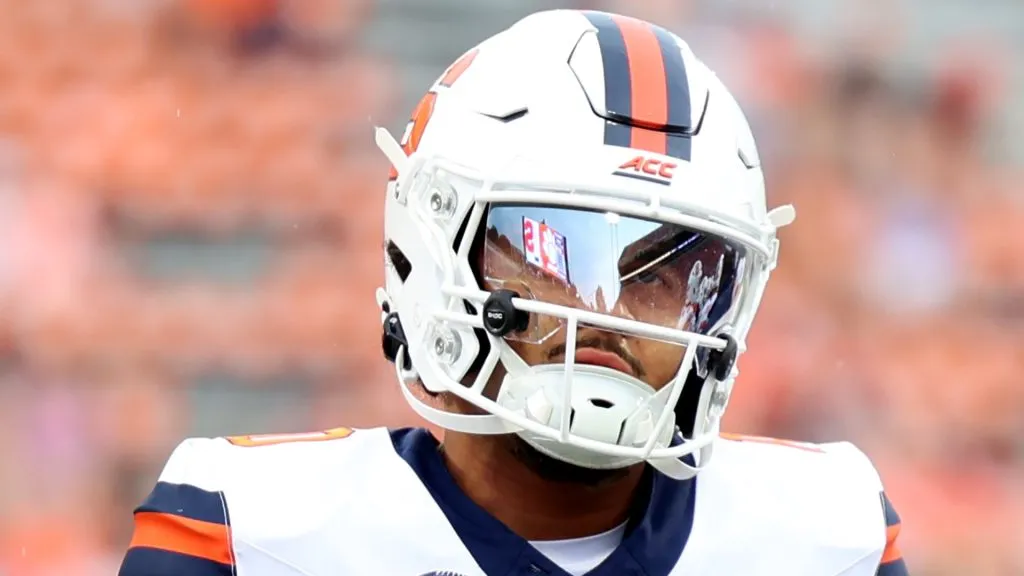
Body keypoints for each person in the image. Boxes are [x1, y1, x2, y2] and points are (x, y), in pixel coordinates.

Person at [119, 9, 909, 576]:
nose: (605, 308)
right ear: (436, 250)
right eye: (557, 253)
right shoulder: (248, 529)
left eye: (664, 276)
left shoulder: (827, 537)